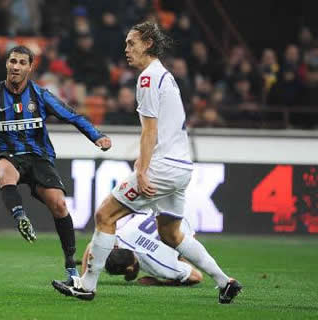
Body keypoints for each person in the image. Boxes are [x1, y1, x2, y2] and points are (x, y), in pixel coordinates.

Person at [51, 21, 242, 303]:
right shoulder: (165, 76)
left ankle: (87, 286)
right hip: (181, 168)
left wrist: (141, 170)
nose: (126, 49)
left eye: (132, 43)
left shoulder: (148, 78)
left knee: (105, 215)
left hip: (162, 167)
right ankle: (225, 281)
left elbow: (150, 131)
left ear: (149, 43)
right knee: (170, 233)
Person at [0, 45, 112, 283]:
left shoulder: (40, 95)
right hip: (8, 154)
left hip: (39, 157)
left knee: (59, 205)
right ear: (6, 64)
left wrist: (96, 135)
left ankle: (71, 268)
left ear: (30, 67)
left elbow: (72, 116)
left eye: (22, 62)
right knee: (3, 170)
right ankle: (20, 217)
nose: (16, 66)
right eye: (12, 61)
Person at [81, 213, 203, 286]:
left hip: (182, 227)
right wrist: (84, 279)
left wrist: (159, 283)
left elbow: (197, 277)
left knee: (180, 255)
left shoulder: (159, 265)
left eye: (125, 273)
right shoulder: (122, 237)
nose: (126, 278)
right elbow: (92, 245)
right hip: (161, 211)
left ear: (130, 268)